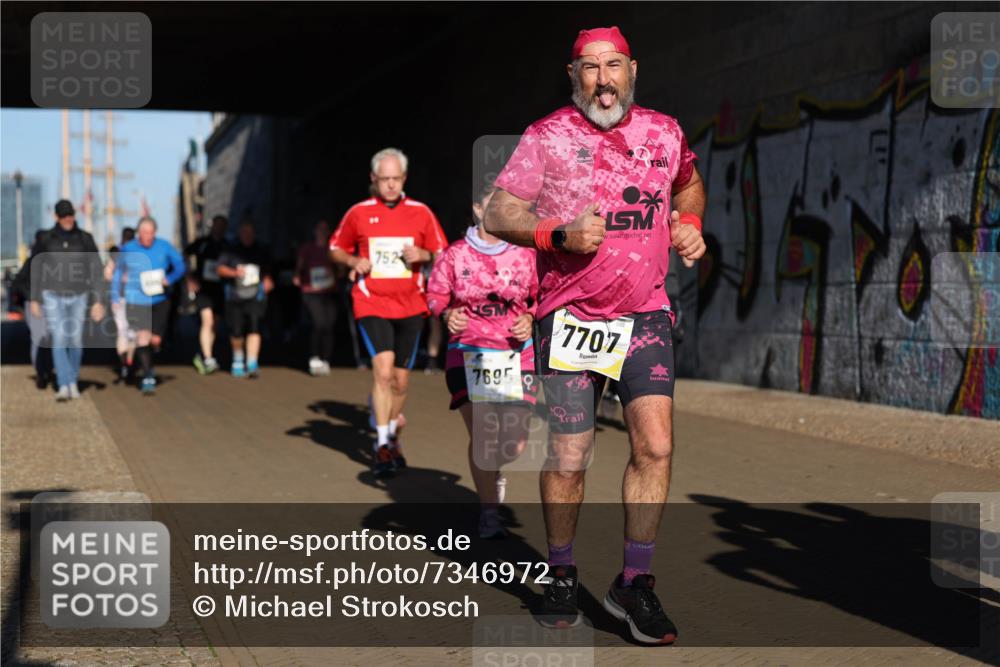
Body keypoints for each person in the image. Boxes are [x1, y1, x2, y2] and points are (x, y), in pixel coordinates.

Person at [484, 27, 706, 644]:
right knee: (570, 453)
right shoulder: (548, 136)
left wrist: (689, 222)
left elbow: (687, 182)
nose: (603, 79)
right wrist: (557, 233)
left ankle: (633, 584)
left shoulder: (664, 132)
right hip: (571, 318)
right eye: (589, 68)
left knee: (656, 447)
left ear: (633, 69)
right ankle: (560, 573)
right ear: (572, 74)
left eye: (613, 66)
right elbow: (498, 211)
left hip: (645, 315)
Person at [426, 185, 538, 537]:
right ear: (477, 209)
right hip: (469, 353)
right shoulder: (455, 255)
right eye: (493, 204)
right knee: (485, 437)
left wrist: (531, 317)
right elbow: (434, 295)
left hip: (517, 354)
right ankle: (489, 510)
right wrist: (446, 315)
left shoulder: (527, 255)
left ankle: (492, 473)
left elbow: (545, 296)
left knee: (514, 444)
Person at [330, 147, 448, 477]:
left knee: (400, 380)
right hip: (371, 300)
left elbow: (444, 254)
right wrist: (353, 261)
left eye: (397, 179)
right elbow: (335, 248)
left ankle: (392, 435)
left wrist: (423, 253)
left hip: (411, 303)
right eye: (385, 179)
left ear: (404, 179)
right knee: (381, 372)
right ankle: (381, 444)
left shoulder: (421, 213)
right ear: (374, 179)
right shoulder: (359, 213)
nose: (391, 185)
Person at [27, 200, 106, 401]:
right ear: (56, 217)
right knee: (60, 338)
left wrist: (98, 300)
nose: (68, 219)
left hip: (79, 295)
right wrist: (34, 299)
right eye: (64, 216)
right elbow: (35, 269)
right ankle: (64, 384)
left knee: (76, 340)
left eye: (70, 215)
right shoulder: (45, 239)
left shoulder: (85, 239)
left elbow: (97, 270)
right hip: (52, 295)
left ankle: (73, 380)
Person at [112, 217, 186, 395]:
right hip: (136, 300)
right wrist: (115, 296)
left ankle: (147, 364)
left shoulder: (164, 246)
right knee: (142, 336)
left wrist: (170, 279)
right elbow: (118, 272)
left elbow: (181, 265)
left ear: (155, 233)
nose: (148, 236)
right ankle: (147, 375)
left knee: (155, 339)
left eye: (151, 233)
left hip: (160, 300)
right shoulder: (128, 249)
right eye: (144, 233)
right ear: (139, 233)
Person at [217, 220, 273, 378]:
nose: (247, 235)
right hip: (235, 295)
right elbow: (219, 269)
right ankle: (238, 359)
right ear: (240, 233)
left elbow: (268, 269)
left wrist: (268, 279)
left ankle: (252, 362)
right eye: (244, 232)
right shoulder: (230, 249)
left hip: (255, 295)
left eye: (250, 232)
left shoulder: (261, 249)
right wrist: (235, 273)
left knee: (255, 327)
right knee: (237, 331)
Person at [184, 214, 228, 375]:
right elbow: (185, 254)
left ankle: (203, 353)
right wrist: (189, 277)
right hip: (203, 288)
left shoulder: (227, 245)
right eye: (217, 225)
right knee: (207, 321)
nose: (219, 229)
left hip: (220, 289)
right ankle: (208, 357)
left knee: (214, 324)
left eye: (222, 226)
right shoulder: (202, 243)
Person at [293, 220, 337, 376]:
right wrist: (298, 276)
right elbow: (300, 266)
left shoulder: (332, 249)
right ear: (314, 231)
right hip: (311, 291)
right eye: (320, 228)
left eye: (326, 229)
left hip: (329, 291)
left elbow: (341, 267)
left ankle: (326, 359)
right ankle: (314, 357)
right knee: (319, 323)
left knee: (329, 326)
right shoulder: (307, 248)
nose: (322, 232)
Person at [14, 230, 54, 389]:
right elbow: (19, 282)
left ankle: (45, 371)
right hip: (36, 304)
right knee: (40, 338)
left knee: (45, 339)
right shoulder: (33, 261)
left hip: (49, 304)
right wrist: (31, 298)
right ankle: (41, 372)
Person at [105, 227, 137, 382]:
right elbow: (108, 275)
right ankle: (126, 363)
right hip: (122, 299)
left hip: (134, 299)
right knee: (125, 332)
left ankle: (127, 363)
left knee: (130, 333)